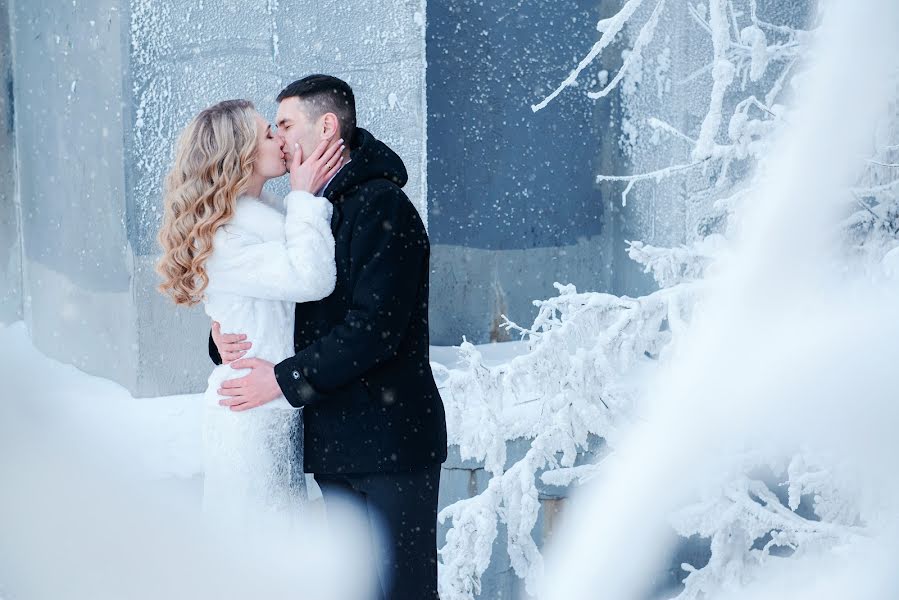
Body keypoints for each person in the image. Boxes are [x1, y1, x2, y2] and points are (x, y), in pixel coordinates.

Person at [210, 75, 448, 599]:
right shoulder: (303, 210)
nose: (280, 139)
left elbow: (375, 331)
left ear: (327, 126)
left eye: (287, 126)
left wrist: (283, 379)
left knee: (403, 593)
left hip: (390, 442)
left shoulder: (381, 207)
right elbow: (276, 302)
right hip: (332, 444)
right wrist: (221, 335)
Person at [156, 99, 344, 535]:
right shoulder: (229, 237)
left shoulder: (259, 223)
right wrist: (304, 198)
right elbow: (311, 278)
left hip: (268, 404)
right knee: (259, 553)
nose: (280, 139)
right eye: (266, 133)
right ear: (239, 155)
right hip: (250, 417)